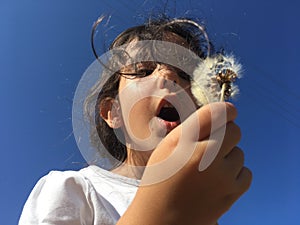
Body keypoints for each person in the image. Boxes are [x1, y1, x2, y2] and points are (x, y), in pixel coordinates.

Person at [19, 15, 252, 225]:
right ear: (113, 112)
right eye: (143, 71)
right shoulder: (74, 190)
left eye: (185, 75)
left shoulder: (206, 209)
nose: (169, 76)